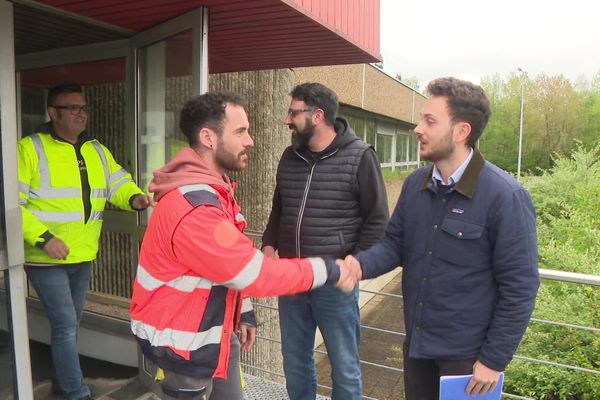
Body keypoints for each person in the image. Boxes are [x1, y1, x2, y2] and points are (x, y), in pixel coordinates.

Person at [129, 92, 359, 400]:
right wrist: (330, 269)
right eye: (240, 131)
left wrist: (244, 311)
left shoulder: (216, 191)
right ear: (208, 137)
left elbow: (228, 263)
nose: (250, 140)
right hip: (183, 349)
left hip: (214, 333)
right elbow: (254, 273)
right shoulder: (196, 207)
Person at [342, 77, 540, 399]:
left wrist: (493, 359)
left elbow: (520, 286)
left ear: (461, 131)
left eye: (429, 121)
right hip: (418, 347)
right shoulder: (416, 184)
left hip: (469, 362)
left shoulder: (505, 196)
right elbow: (395, 244)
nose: (417, 128)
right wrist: (358, 265)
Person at [18, 83, 152, 400]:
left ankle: (63, 380)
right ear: (53, 113)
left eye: (84, 108)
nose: (82, 114)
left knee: (71, 324)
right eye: (74, 108)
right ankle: (76, 392)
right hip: (45, 258)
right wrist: (44, 237)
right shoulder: (30, 148)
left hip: (83, 254)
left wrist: (133, 197)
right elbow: (12, 204)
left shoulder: (96, 150)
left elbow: (118, 180)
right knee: (65, 325)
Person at [262, 82, 389, 399]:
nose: (287, 120)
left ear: (318, 115)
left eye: (293, 112)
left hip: (335, 284)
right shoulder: (290, 157)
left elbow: (377, 219)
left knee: (344, 367)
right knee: (295, 362)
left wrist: (355, 263)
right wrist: (267, 245)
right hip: (291, 279)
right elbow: (279, 209)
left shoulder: (360, 157)